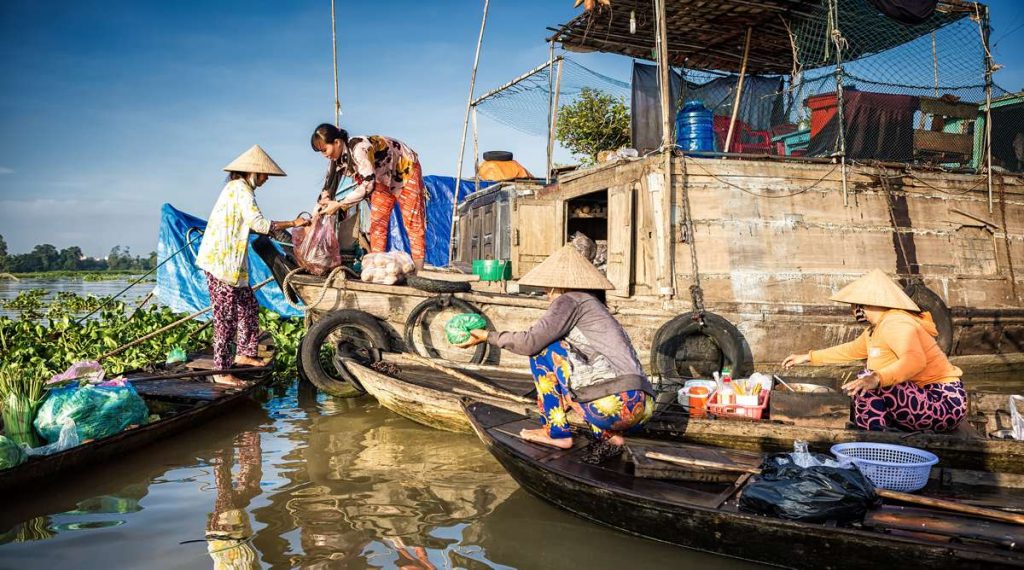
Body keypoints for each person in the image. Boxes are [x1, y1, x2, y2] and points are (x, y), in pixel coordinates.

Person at [457, 245, 654, 462]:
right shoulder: (594, 306)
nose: (545, 294)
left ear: (556, 286)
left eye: (546, 289)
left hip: (613, 407)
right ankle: (610, 437)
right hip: (643, 407)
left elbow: (529, 343)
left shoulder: (569, 300)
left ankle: (556, 432)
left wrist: (487, 336)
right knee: (569, 358)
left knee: (542, 352)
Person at [782, 268, 967, 433]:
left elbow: (915, 360)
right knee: (863, 384)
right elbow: (850, 350)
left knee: (867, 378)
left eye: (855, 305)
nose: (853, 310)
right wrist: (808, 357)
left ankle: (875, 438)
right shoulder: (875, 329)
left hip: (943, 401)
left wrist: (876, 378)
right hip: (920, 399)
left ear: (865, 304)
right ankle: (874, 435)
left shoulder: (897, 322)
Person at [196, 145, 310, 387]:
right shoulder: (240, 190)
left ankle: (245, 353)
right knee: (225, 317)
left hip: (233, 262)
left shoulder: (238, 189)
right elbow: (258, 223)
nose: (266, 178)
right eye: (264, 174)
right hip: (221, 262)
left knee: (249, 305)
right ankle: (221, 370)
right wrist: (294, 222)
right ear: (252, 172)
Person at [310, 124, 427, 271]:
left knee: (412, 221)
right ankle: (376, 269)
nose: (324, 155)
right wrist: (318, 210)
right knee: (378, 223)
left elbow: (367, 184)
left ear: (337, 142)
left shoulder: (358, 149)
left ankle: (419, 271)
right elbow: (327, 190)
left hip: (404, 170)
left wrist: (339, 204)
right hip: (381, 178)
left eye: (324, 150)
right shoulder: (336, 162)